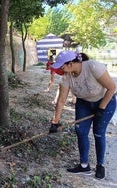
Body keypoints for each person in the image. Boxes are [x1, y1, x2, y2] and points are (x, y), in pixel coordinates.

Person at [49, 50, 116, 179]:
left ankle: (100, 165)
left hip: (105, 101)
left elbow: (112, 88)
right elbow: (61, 101)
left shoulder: (93, 67)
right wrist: (55, 122)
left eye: (62, 66)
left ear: (71, 63)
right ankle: (84, 166)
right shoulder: (67, 77)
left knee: (98, 132)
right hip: (84, 103)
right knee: (80, 131)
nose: (61, 69)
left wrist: (101, 108)